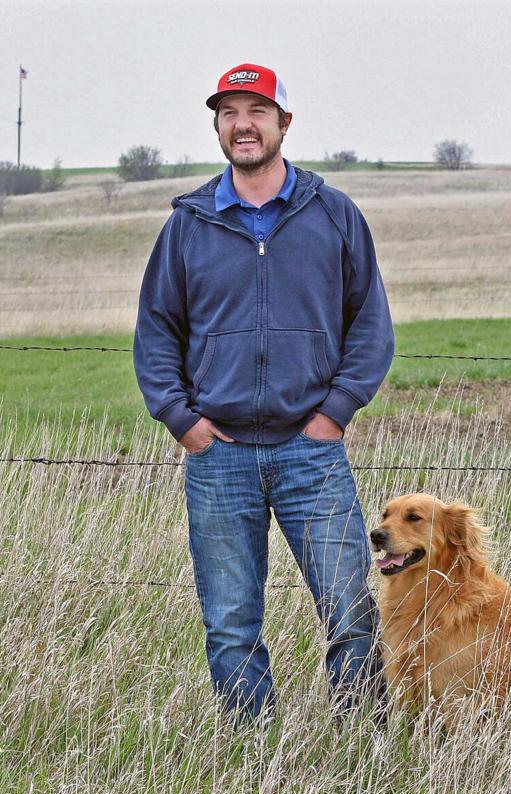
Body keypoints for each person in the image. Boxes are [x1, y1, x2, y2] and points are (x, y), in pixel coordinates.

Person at [133, 62, 394, 725]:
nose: (242, 124)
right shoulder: (190, 224)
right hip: (217, 458)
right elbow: (157, 331)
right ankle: (255, 761)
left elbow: (369, 325)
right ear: (219, 126)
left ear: (284, 123)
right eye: (228, 113)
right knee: (229, 624)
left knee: (352, 613)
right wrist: (180, 419)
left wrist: (335, 413)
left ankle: (361, 754)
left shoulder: (331, 215)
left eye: (256, 110)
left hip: (311, 454)